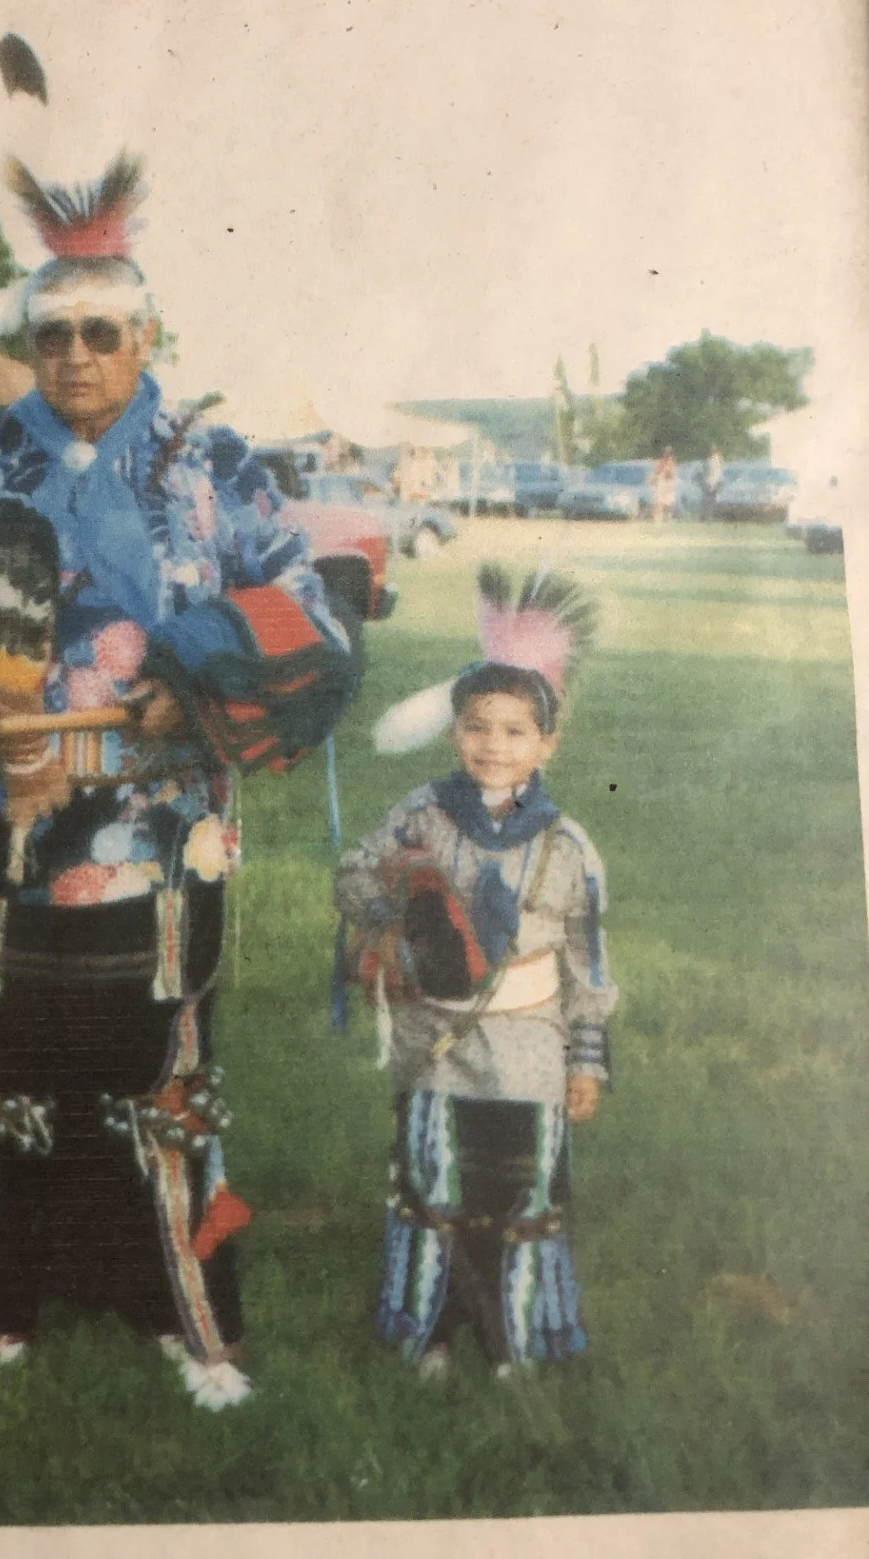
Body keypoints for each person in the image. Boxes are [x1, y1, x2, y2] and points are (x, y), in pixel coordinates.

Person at [0, 154, 355, 1410]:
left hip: (161, 816)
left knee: (160, 1062)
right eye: (52, 336)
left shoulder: (214, 464)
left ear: (144, 335)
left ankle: (180, 1316)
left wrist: (191, 678)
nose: (76, 356)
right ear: (28, 346)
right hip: (10, 813)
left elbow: (304, 604)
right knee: (1, 1063)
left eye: (101, 332)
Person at [333, 564, 615, 1378]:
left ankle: (512, 1336)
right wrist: (401, 902)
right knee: (435, 1185)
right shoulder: (421, 814)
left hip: (530, 1047)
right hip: (439, 1042)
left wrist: (585, 1059)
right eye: (477, 726)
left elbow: (587, 963)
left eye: (516, 731)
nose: (494, 746)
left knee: (521, 1190)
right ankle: (435, 1329)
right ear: (455, 729)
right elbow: (352, 876)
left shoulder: (567, 847)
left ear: (548, 743)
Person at [651, 446, 677, 524]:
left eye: (669, 453)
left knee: (669, 503)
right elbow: (657, 473)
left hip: (669, 484)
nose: (667, 454)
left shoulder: (672, 463)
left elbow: (672, 474)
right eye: (666, 452)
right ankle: (657, 519)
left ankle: (668, 518)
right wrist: (654, 481)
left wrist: (668, 472)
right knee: (659, 502)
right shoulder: (660, 462)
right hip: (662, 484)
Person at [704, 445, 724, 520]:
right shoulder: (713, 461)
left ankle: (710, 515)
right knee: (711, 499)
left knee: (711, 499)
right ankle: (710, 515)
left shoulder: (712, 460)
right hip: (712, 482)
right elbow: (714, 472)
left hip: (712, 482)